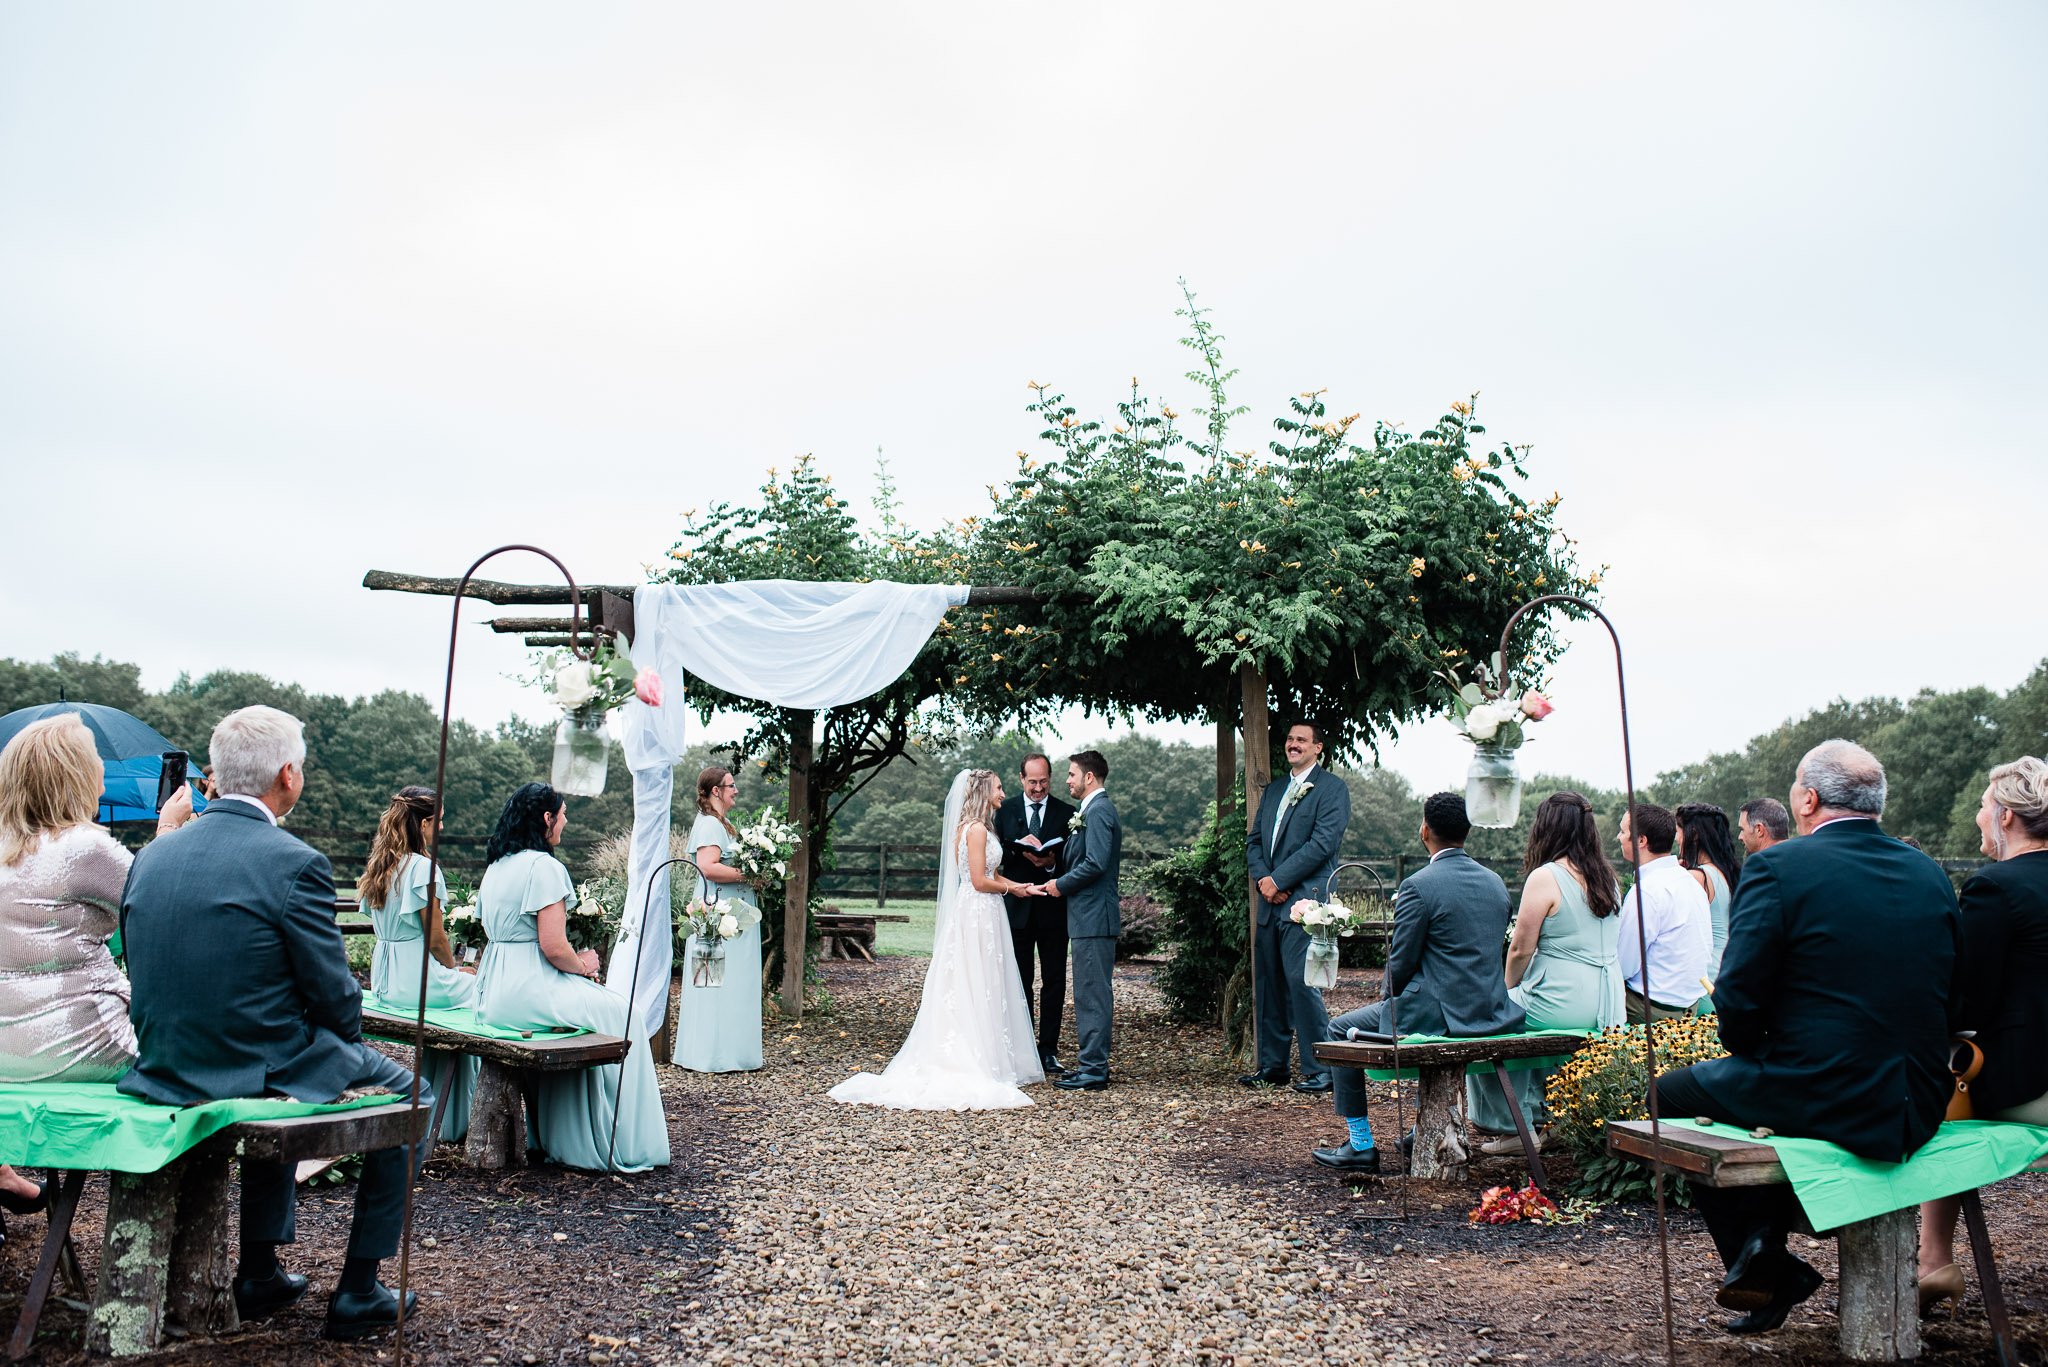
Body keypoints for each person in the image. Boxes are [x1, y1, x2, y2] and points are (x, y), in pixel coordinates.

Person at [120, 705, 428, 1339]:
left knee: (287, 1058)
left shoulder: (152, 856)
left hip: (163, 1063)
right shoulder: (295, 862)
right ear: (288, 775)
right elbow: (335, 994)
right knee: (410, 1092)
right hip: (256, 1066)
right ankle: (360, 1288)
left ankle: (261, 1271)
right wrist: (339, 1045)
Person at [1656, 740, 1960, 1336]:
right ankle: (1765, 1244)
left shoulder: (1777, 868)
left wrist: (1755, 1048)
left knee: (1669, 1096)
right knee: (1752, 1093)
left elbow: (1739, 1001)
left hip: (1824, 1090)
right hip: (1919, 1096)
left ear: (1808, 799)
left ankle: (1763, 1262)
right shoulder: (1928, 872)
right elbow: (1953, 996)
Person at [0, 716, 195, 1222]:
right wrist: (170, 834)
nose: (103, 779)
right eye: (96, 767)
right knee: (201, 1067)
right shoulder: (85, 847)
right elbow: (163, 909)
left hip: (3, 1054)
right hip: (79, 1046)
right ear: (75, 775)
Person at [1314, 792, 1524, 1173]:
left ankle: (1361, 1145)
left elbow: (1403, 961)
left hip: (1440, 1013)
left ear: (1425, 830)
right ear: (1467, 832)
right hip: (1491, 1010)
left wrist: (1387, 995)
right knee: (1388, 1016)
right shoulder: (1495, 883)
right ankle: (1416, 1131)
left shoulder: (1418, 885)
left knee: (1338, 1028)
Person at [475, 783, 668, 1171]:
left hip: (494, 989)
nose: (566, 821)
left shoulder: (497, 866)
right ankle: (621, 1140)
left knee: (603, 1011)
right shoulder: (544, 868)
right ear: (546, 819)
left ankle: (562, 1133)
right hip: (531, 990)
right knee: (625, 1013)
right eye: (562, 814)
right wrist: (584, 965)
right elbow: (553, 947)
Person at [1916, 758, 2048, 1312]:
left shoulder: (1995, 886)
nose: (1978, 817)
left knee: (1938, 1088)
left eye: (1983, 806)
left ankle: (1933, 1261)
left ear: (2009, 816)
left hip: (2030, 1089)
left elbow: (1968, 997)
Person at [832, 770, 1045, 1109]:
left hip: (989, 911)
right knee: (974, 980)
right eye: (999, 788)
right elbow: (977, 881)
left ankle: (992, 1054)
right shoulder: (974, 829)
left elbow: (992, 874)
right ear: (984, 791)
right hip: (977, 913)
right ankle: (971, 1057)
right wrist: (1008, 888)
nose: (1004, 793)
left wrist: (1020, 887)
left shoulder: (983, 827)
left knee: (988, 982)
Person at [1467, 792, 1624, 1152]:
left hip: (1562, 996)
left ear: (1546, 828)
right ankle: (1549, 1119)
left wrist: (1504, 992)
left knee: (1492, 1020)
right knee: (1526, 1022)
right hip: (1607, 999)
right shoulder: (1608, 878)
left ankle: (1513, 1129)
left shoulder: (1546, 876)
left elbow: (1522, 948)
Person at [358, 785, 475, 1140]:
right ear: (423, 823)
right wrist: (456, 970)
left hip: (385, 980)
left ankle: (448, 1109)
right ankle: (458, 1115)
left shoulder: (382, 864)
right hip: (417, 981)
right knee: (480, 990)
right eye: (437, 822)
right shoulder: (423, 868)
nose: (439, 829)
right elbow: (437, 938)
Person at [1242, 721, 1353, 1093]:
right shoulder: (1274, 790)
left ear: (1318, 748)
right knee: (1269, 982)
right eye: (1290, 739)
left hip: (1306, 901)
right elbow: (1254, 840)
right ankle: (1273, 1067)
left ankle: (1321, 1069)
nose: (1293, 745)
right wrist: (1264, 882)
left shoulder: (1332, 790)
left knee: (1303, 983)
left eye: (1301, 740)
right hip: (1270, 902)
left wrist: (1280, 881)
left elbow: (1322, 845)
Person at [1031, 751, 1122, 1091]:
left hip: (1095, 916)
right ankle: (1090, 1064)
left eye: (1071, 774)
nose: (1066, 780)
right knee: (1087, 993)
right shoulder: (1090, 811)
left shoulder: (1099, 812)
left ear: (1089, 777)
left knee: (1093, 993)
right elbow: (1082, 859)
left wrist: (1059, 885)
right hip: (1085, 917)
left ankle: (1095, 1070)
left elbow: (1096, 863)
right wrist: (1054, 866)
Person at [677, 766, 764, 1074]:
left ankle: (725, 1052)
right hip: (721, 917)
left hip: (730, 914)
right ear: (716, 791)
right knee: (716, 983)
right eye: (731, 786)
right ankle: (712, 1055)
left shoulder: (720, 823)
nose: (735, 790)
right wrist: (750, 874)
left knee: (727, 983)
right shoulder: (711, 826)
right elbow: (708, 867)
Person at [993, 753, 1075, 1076]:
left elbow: (1072, 861)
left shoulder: (1067, 813)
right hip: (1018, 910)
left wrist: (1051, 863)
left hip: (1053, 910)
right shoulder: (1005, 810)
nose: (1038, 788)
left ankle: (1049, 1050)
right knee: (1020, 980)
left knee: (1054, 980)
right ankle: (1022, 1047)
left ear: (1050, 779)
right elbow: (995, 856)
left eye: (1043, 782)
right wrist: (1018, 849)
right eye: (1032, 782)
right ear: (1021, 779)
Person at [1615, 802, 1712, 1021]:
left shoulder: (1647, 891)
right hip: (1690, 1006)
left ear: (1641, 841)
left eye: (1623, 831)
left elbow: (1624, 966)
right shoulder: (1690, 881)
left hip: (1652, 1009)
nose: (1619, 837)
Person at [1674, 802, 1742, 979]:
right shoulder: (1728, 873)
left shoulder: (1698, 878)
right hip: (1729, 967)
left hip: (1707, 975)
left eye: (1678, 831)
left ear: (1694, 834)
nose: (1676, 838)